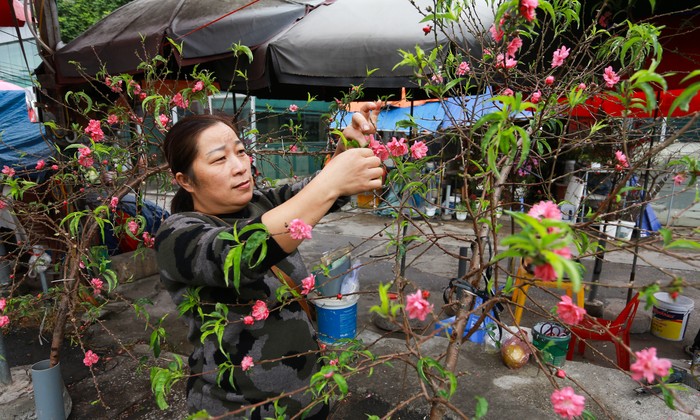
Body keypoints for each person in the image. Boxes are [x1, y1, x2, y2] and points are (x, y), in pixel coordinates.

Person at [155, 102, 383, 418]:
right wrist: (331, 180)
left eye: (240, 151)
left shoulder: (260, 203)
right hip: (239, 408)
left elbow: (322, 193)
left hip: (308, 396)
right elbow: (242, 253)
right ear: (186, 180)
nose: (239, 166)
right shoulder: (177, 234)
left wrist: (350, 145)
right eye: (219, 159)